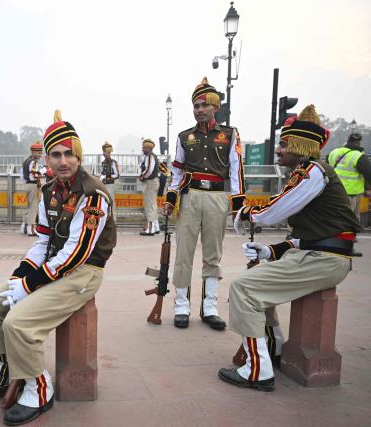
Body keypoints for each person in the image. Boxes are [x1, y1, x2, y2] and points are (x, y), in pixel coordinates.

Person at [0, 110, 116, 426]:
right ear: (47, 160)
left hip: (84, 272)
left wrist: (31, 283)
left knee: (18, 323)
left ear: (78, 156)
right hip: (55, 265)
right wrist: (19, 277)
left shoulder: (93, 194)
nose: (63, 161)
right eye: (56, 155)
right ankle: (10, 370)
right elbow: (41, 242)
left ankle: (39, 389)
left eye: (69, 154)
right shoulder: (49, 191)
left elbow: (77, 252)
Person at [219, 105, 362, 391]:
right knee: (258, 288)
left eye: (284, 144)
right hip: (319, 254)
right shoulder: (308, 172)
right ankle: (273, 350)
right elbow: (312, 233)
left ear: (300, 144)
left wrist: (245, 214)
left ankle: (257, 371)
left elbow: (275, 210)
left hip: (324, 259)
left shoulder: (312, 172)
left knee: (243, 288)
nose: (278, 150)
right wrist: (271, 251)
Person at [163, 77, 245, 330]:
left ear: (215, 107)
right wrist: (170, 198)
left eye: (203, 105)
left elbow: (236, 169)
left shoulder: (230, 135)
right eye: (195, 106)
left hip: (218, 197)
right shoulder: (184, 136)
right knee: (184, 253)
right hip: (190, 197)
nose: (199, 110)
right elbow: (176, 172)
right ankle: (181, 306)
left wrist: (237, 205)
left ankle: (210, 307)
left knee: (213, 254)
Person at [327, 133, 371, 220]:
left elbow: (327, 168)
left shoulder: (333, 152)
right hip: (351, 193)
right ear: (359, 143)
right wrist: (368, 189)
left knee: (335, 218)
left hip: (333, 191)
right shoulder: (358, 156)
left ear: (347, 141)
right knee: (349, 219)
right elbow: (368, 173)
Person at [20, 142, 44, 236]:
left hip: (27, 184)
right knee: (33, 208)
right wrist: (43, 171)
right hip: (33, 185)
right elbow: (35, 174)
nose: (40, 154)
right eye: (38, 152)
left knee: (29, 207)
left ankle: (24, 227)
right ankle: (31, 229)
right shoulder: (33, 162)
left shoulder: (26, 161)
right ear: (33, 152)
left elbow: (22, 175)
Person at [138, 138, 160, 235]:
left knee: (149, 205)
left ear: (148, 148)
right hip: (154, 181)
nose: (143, 149)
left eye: (144, 147)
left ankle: (150, 229)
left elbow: (149, 170)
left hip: (150, 182)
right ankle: (156, 226)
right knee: (153, 205)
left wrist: (142, 176)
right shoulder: (153, 156)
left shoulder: (149, 157)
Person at [100, 142, 119, 221]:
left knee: (110, 202)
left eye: (105, 152)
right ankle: (106, 220)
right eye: (104, 151)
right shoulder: (103, 162)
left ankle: (113, 220)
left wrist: (106, 177)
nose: (104, 153)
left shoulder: (113, 162)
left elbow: (117, 175)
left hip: (110, 185)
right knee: (104, 203)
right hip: (104, 185)